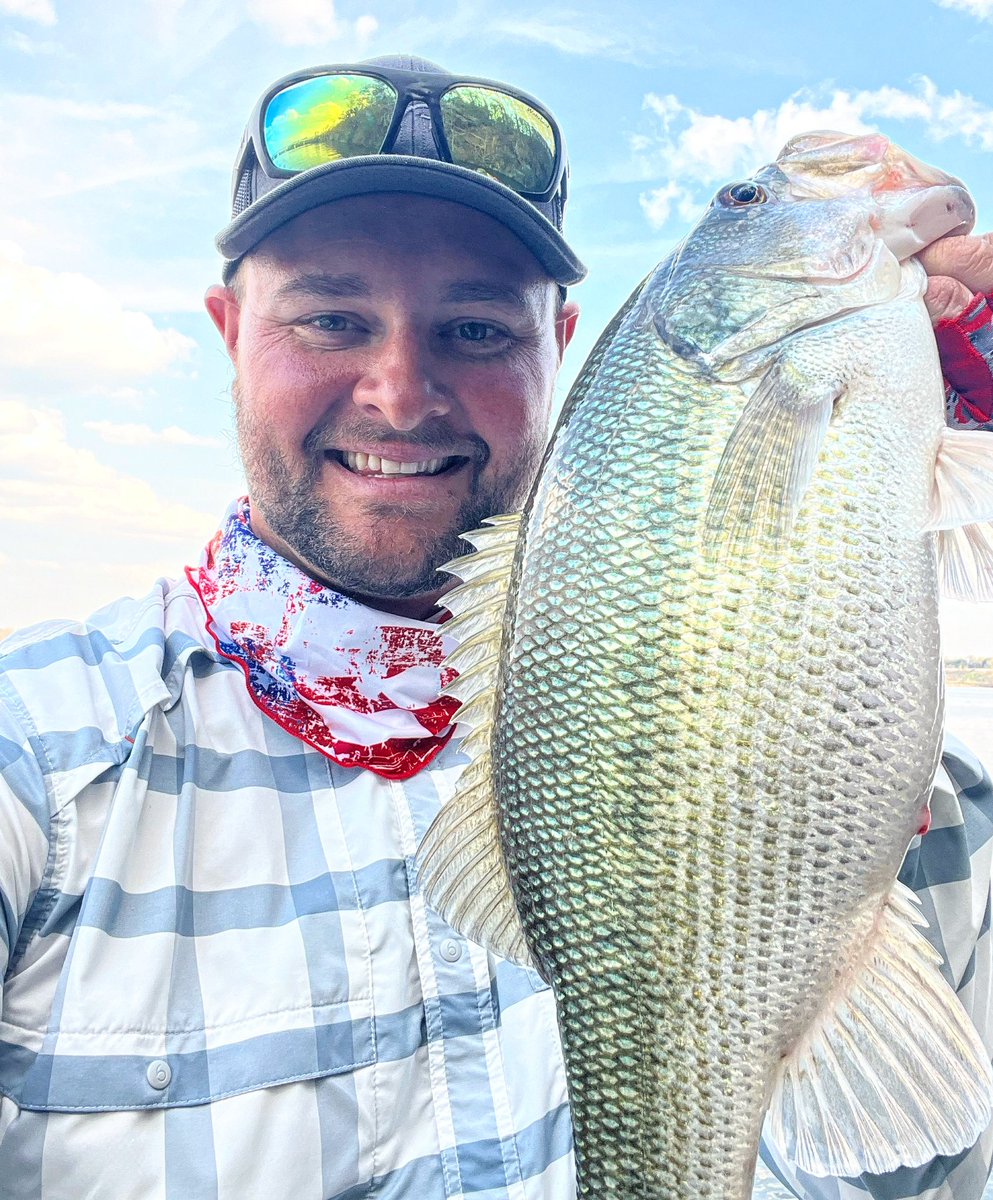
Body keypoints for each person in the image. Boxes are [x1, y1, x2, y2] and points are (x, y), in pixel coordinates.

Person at [0, 52, 991, 1200]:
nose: (398, 391)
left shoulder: (920, 797)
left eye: (475, 331)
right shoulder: (36, 758)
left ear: (560, 342)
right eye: (330, 319)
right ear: (228, 331)